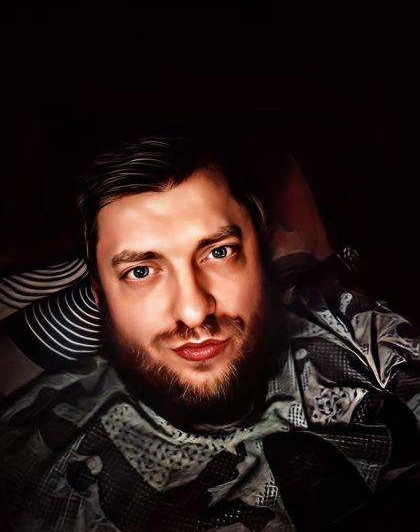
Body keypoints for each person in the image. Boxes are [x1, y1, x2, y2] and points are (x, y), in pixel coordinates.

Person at [1, 137, 420, 531]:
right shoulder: (40, 468)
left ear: (259, 252)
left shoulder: (357, 333)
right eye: (140, 271)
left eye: (219, 252)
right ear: (99, 295)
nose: (193, 311)